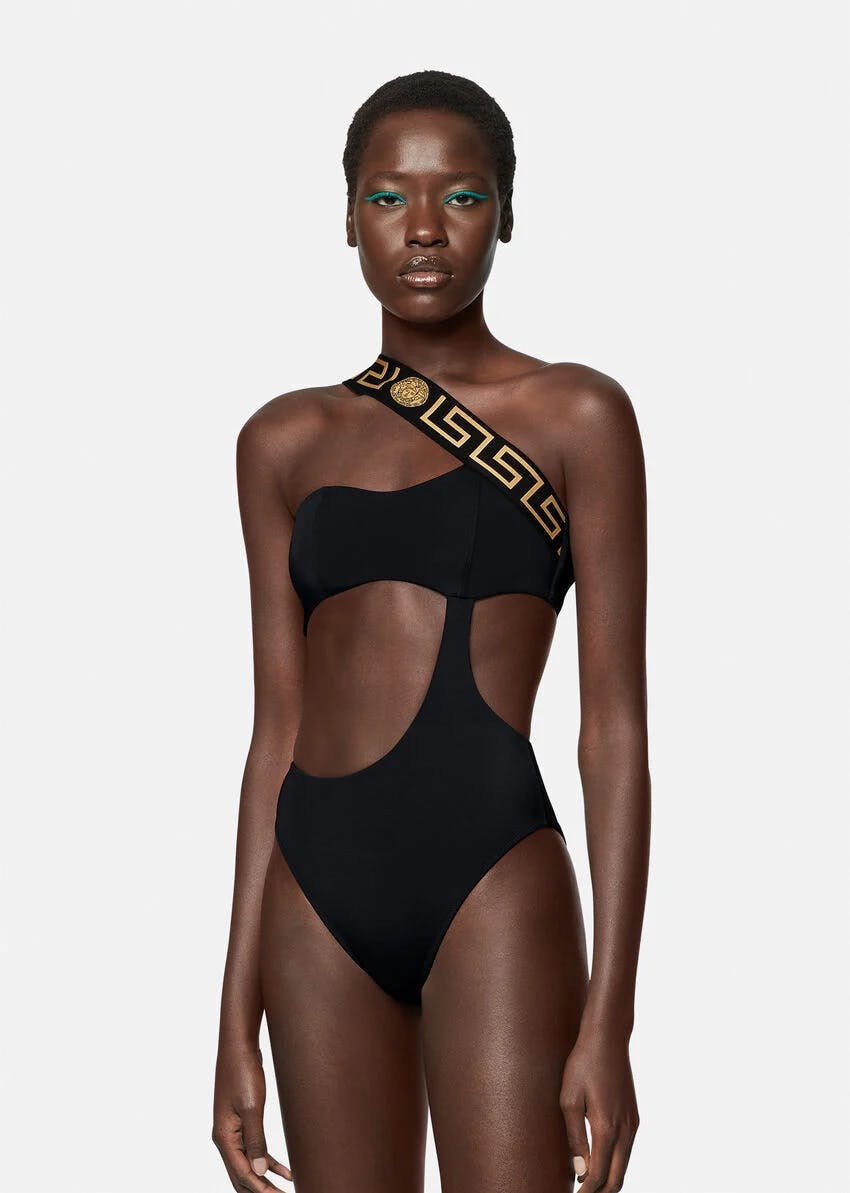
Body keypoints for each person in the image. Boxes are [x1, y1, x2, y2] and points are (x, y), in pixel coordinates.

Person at [213, 69, 649, 1193]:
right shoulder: (281, 441)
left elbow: (613, 728)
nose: (421, 229)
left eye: (459, 196)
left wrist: (611, 1018)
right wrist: (231, 1015)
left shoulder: (577, 414)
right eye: (385, 196)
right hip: (312, 893)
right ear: (346, 217)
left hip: (492, 877)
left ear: (505, 213)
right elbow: (273, 734)